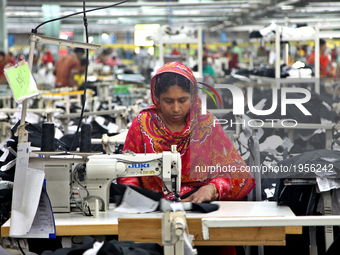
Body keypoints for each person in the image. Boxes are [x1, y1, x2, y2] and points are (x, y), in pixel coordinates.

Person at [117, 61, 255, 203]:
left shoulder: (205, 123)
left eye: (182, 100)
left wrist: (212, 188)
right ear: (156, 97)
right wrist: (135, 199)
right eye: (168, 101)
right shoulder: (142, 124)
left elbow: (238, 173)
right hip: (152, 205)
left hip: (200, 204)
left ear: (193, 96)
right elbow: (127, 170)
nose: (176, 108)